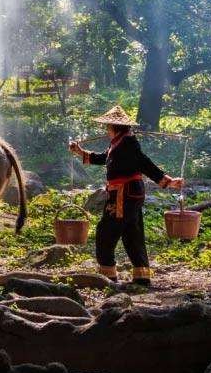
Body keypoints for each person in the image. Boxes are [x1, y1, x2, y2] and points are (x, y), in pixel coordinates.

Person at [69, 105, 183, 286]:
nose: (106, 129)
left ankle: (108, 275)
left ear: (115, 127)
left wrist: (166, 181)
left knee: (106, 231)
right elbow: (103, 158)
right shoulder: (118, 143)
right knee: (132, 233)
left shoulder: (129, 144)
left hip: (124, 194)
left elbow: (144, 163)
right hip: (128, 193)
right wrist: (80, 152)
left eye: (108, 126)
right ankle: (142, 276)